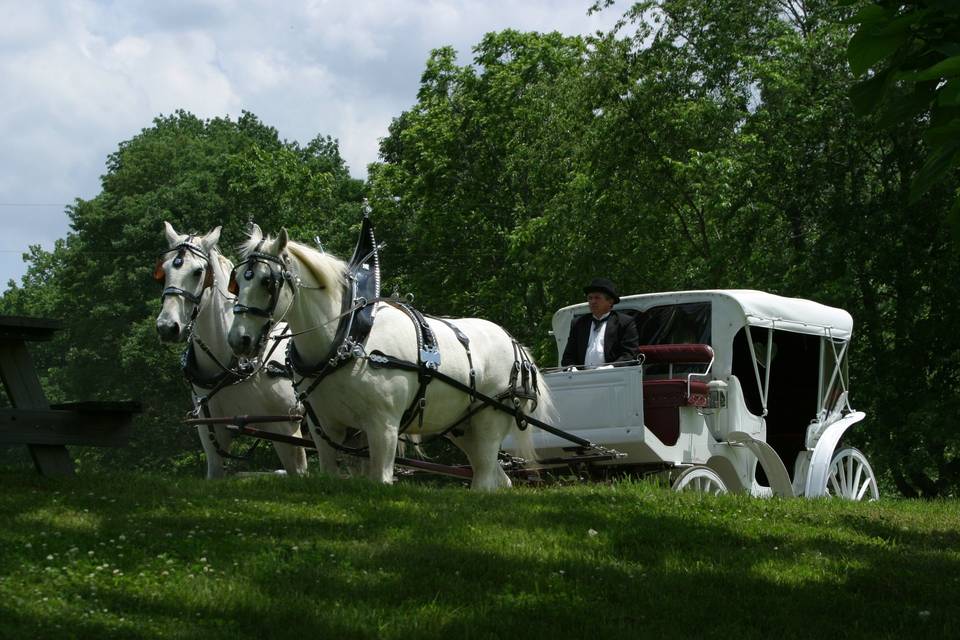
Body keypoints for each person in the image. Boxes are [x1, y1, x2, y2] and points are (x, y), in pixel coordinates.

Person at [561, 277, 639, 368]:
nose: (593, 301)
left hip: (614, 378)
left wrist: (610, 368)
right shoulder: (578, 323)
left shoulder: (624, 323)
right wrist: (572, 369)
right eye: (590, 298)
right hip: (582, 378)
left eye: (597, 298)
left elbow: (629, 354)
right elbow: (567, 356)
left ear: (610, 301)